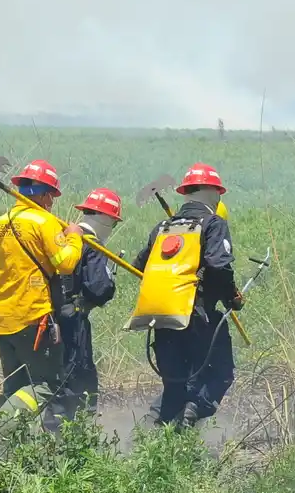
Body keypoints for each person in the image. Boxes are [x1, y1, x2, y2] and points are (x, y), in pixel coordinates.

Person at [130, 163, 243, 428]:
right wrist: (231, 299)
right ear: (214, 193)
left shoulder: (164, 226)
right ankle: (192, 413)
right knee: (220, 375)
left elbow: (138, 266)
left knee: (175, 385)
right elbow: (219, 265)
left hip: (160, 318)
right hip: (196, 315)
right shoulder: (214, 223)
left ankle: (150, 443)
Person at [0, 159, 83, 435]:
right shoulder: (43, 222)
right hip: (32, 318)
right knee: (45, 385)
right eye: (51, 195)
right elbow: (65, 263)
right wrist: (74, 237)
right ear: (43, 193)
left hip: (0, 320)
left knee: (16, 386)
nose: (52, 202)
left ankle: (12, 453)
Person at [56, 187, 123, 419]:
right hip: (73, 321)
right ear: (107, 220)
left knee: (54, 377)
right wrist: (110, 280)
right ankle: (72, 439)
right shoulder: (93, 246)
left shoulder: (63, 238)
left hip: (48, 316)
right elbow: (99, 288)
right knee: (78, 377)